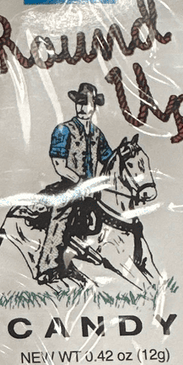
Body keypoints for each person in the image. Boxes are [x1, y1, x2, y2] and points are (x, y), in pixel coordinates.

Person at [35, 83, 115, 284]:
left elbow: (109, 159)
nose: (83, 108)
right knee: (61, 215)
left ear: (94, 107)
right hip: (69, 185)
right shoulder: (63, 130)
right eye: (80, 103)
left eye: (87, 104)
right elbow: (59, 165)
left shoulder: (97, 134)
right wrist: (80, 183)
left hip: (90, 189)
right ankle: (47, 266)